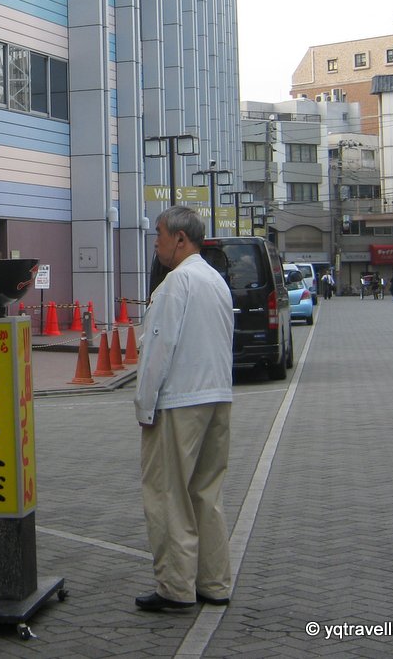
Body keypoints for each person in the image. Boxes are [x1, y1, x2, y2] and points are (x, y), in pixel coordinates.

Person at [133, 206, 233, 612]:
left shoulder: (177, 283)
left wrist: (144, 404)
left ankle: (175, 587)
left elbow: (157, 348)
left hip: (178, 400)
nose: (154, 242)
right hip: (217, 395)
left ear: (180, 238)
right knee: (207, 493)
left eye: (159, 233)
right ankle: (214, 582)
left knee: (167, 494)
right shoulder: (216, 281)